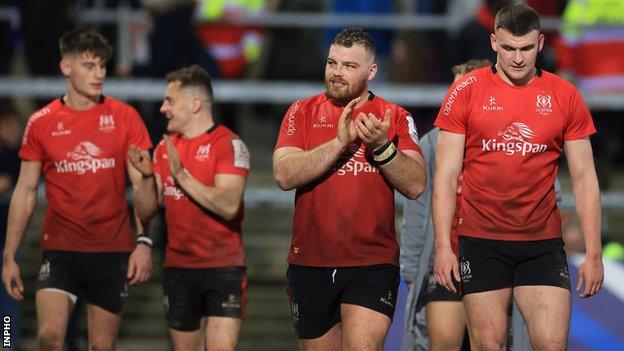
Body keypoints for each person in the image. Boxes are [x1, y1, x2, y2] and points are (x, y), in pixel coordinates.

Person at [433, 3, 604, 351]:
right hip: (481, 241)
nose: (517, 58)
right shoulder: (465, 90)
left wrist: (594, 251)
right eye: (509, 47)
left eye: (526, 48)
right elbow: (446, 175)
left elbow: (585, 177)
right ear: (493, 41)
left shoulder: (564, 95)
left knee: (551, 344)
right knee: (489, 344)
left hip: (542, 242)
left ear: (541, 43)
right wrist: (442, 246)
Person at [273, 27, 427, 351]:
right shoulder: (301, 111)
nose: (336, 73)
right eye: (332, 63)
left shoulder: (394, 117)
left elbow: (416, 184)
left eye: (348, 66)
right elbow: (284, 175)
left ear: (372, 71)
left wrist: (382, 147)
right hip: (309, 262)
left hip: (372, 262)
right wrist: (340, 143)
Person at [1, 28, 154, 351]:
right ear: (66, 67)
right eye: (89, 66)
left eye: (102, 66)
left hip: (112, 249)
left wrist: (143, 241)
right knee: (49, 338)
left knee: (101, 346)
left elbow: (142, 186)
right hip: (60, 249)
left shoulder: (125, 118)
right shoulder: (42, 122)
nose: (99, 74)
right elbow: (25, 191)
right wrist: (10, 255)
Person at [128, 64, 250, 351]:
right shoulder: (163, 149)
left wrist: (181, 176)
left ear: (196, 104)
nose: (162, 108)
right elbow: (146, 211)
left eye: (170, 101)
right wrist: (146, 178)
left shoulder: (229, 145)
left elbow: (229, 205)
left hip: (223, 267)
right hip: (179, 267)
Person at [400, 59, 491, 351]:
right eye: (454, 92)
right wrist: (412, 272)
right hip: (445, 260)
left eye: (466, 92)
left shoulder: (510, 135)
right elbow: (416, 207)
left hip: (496, 259)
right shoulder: (432, 143)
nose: (457, 100)